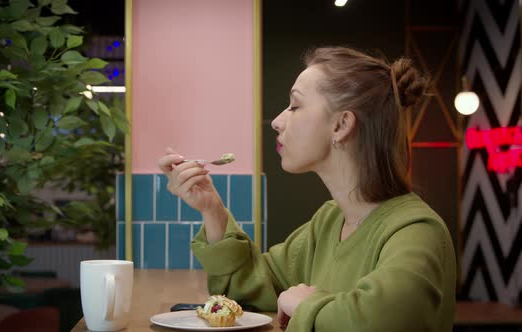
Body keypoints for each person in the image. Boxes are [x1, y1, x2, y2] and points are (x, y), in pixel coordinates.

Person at [157, 46, 456, 331]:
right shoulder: (328, 222)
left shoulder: (416, 231)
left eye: (295, 106)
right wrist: (212, 209)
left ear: (341, 125)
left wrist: (305, 305)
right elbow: (248, 288)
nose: (276, 121)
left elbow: (382, 322)